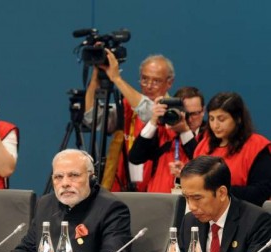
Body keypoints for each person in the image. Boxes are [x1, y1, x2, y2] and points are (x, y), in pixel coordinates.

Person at [0, 149, 134, 252]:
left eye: (74, 175)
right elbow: (28, 249)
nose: (65, 183)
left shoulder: (111, 208)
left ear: (92, 178)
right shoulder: (45, 204)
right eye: (58, 177)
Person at [137, 156, 271, 252]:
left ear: (222, 193)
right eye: (186, 198)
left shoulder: (256, 221)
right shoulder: (191, 220)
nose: (191, 206)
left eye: (197, 198)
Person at [85, 51, 175, 192]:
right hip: (124, 184)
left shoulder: (172, 111)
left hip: (156, 186)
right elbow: (93, 118)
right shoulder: (127, 106)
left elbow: (147, 112)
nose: (149, 85)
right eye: (144, 79)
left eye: (156, 81)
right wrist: (96, 75)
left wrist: (116, 78)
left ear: (169, 83)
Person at [193, 92, 271, 206]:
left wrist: (219, 191)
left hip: (244, 214)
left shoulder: (257, 146)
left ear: (238, 119)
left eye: (221, 119)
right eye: (211, 119)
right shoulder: (203, 145)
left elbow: (260, 192)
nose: (215, 125)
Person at [129, 87, 205, 193]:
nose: (189, 119)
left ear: (203, 111)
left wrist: (185, 132)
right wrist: (153, 120)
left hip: (193, 202)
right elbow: (135, 158)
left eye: (194, 114)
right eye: (185, 113)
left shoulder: (209, 136)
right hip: (158, 200)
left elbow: (204, 166)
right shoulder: (161, 132)